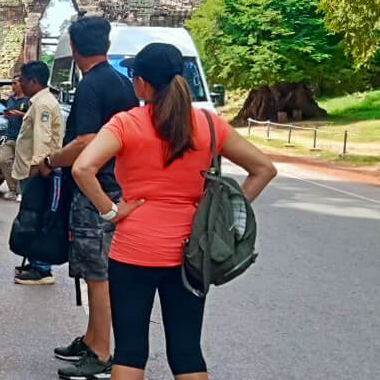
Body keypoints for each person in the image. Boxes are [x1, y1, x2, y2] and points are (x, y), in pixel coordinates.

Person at [71, 42, 277, 379]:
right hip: (190, 253)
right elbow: (264, 169)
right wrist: (221, 217)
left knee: (130, 352)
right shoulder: (210, 125)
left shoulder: (126, 123)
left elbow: (82, 168)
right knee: (186, 351)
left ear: (141, 84)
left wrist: (110, 211)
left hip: (133, 250)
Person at [43, 17, 137, 380]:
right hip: (117, 183)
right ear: (107, 46)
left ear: (76, 49)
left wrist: (49, 161)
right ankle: (92, 336)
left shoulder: (91, 87)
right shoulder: (122, 83)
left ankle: (100, 352)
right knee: (94, 268)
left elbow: (85, 143)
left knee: (98, 274)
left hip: (96, 187)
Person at [12, 60, 64, 285]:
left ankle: (42, 268)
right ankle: (34, 262)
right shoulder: (39, 102)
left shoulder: (43, 104)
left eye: (22, 80)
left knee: (37, 217)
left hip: (39, 170)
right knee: (32, 217)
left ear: (34, 81)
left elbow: (42, 141)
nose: (20, 84)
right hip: (35, 169)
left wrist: (36, 168)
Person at [0, 74, 29, 201]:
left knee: (21, 164)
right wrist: (7, 114)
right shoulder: (11, 99)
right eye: (12, 83)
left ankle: (21, 191)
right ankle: (12, 188)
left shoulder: (28, 100)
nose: (13, 86)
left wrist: (19, 114)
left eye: (15, 83)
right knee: (4, 160)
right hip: (10, 135)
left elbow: (31, 116)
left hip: (22, 136)